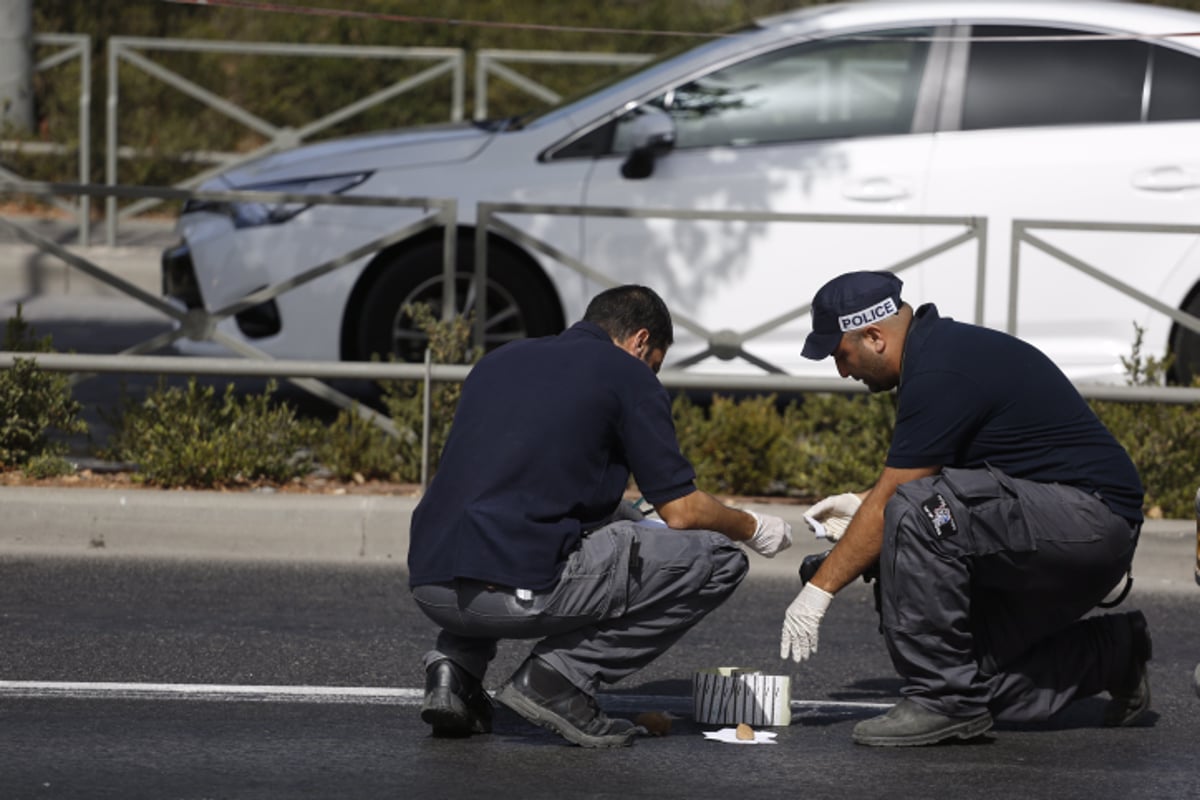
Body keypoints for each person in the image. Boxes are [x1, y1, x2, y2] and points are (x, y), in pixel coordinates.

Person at [408, 284, 794, 748]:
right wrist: (751, 526)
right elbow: (683, 511)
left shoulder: (500, 360)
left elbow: (513, 480)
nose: (653, 374)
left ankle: (454, 674)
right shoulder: (627, 375)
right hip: (520, 592)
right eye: (655, 362)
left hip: (432, 586)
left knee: (494, 531)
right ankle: (558, 681)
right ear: (640, 341)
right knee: (720, 560)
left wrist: (616, 512)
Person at [784, 270, 1149, 746]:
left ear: (873, 337)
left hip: (1090, 522)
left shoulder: (940, 368)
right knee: (977, 681)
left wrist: (819, 590)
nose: (842, 370)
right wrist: (861, 505)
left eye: (840, 353)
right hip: (1057, 527)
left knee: (915, 515)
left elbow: (907, 496)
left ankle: (943, 702)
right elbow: (930, 481)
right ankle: (1112, 655)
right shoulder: (934, 354)